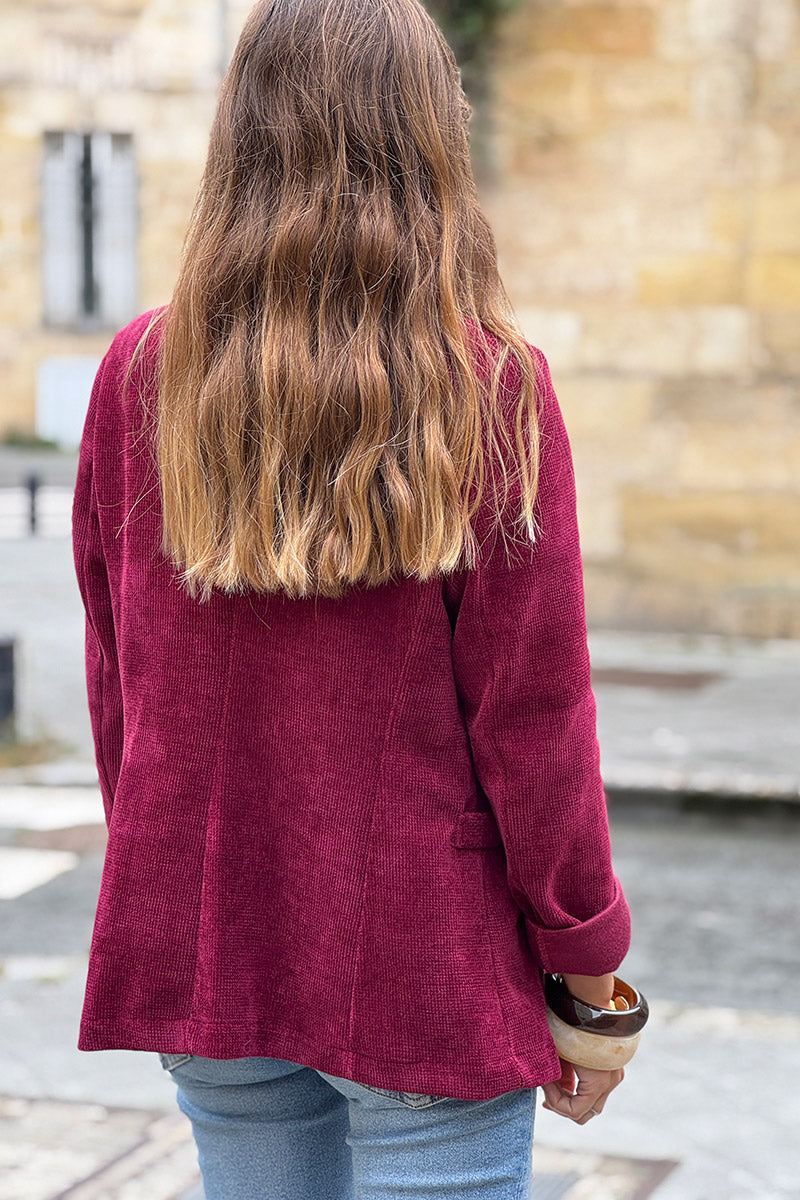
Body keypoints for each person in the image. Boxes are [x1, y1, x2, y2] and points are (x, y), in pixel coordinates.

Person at [72, 0, 633, 1196]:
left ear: (242, 135)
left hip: (211, 937)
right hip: (421, 960)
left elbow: (120, 684)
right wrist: (589, 969)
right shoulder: (488, 387)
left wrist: (164, 872)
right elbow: (534, 720)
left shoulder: (139, 373)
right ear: (430, 135)